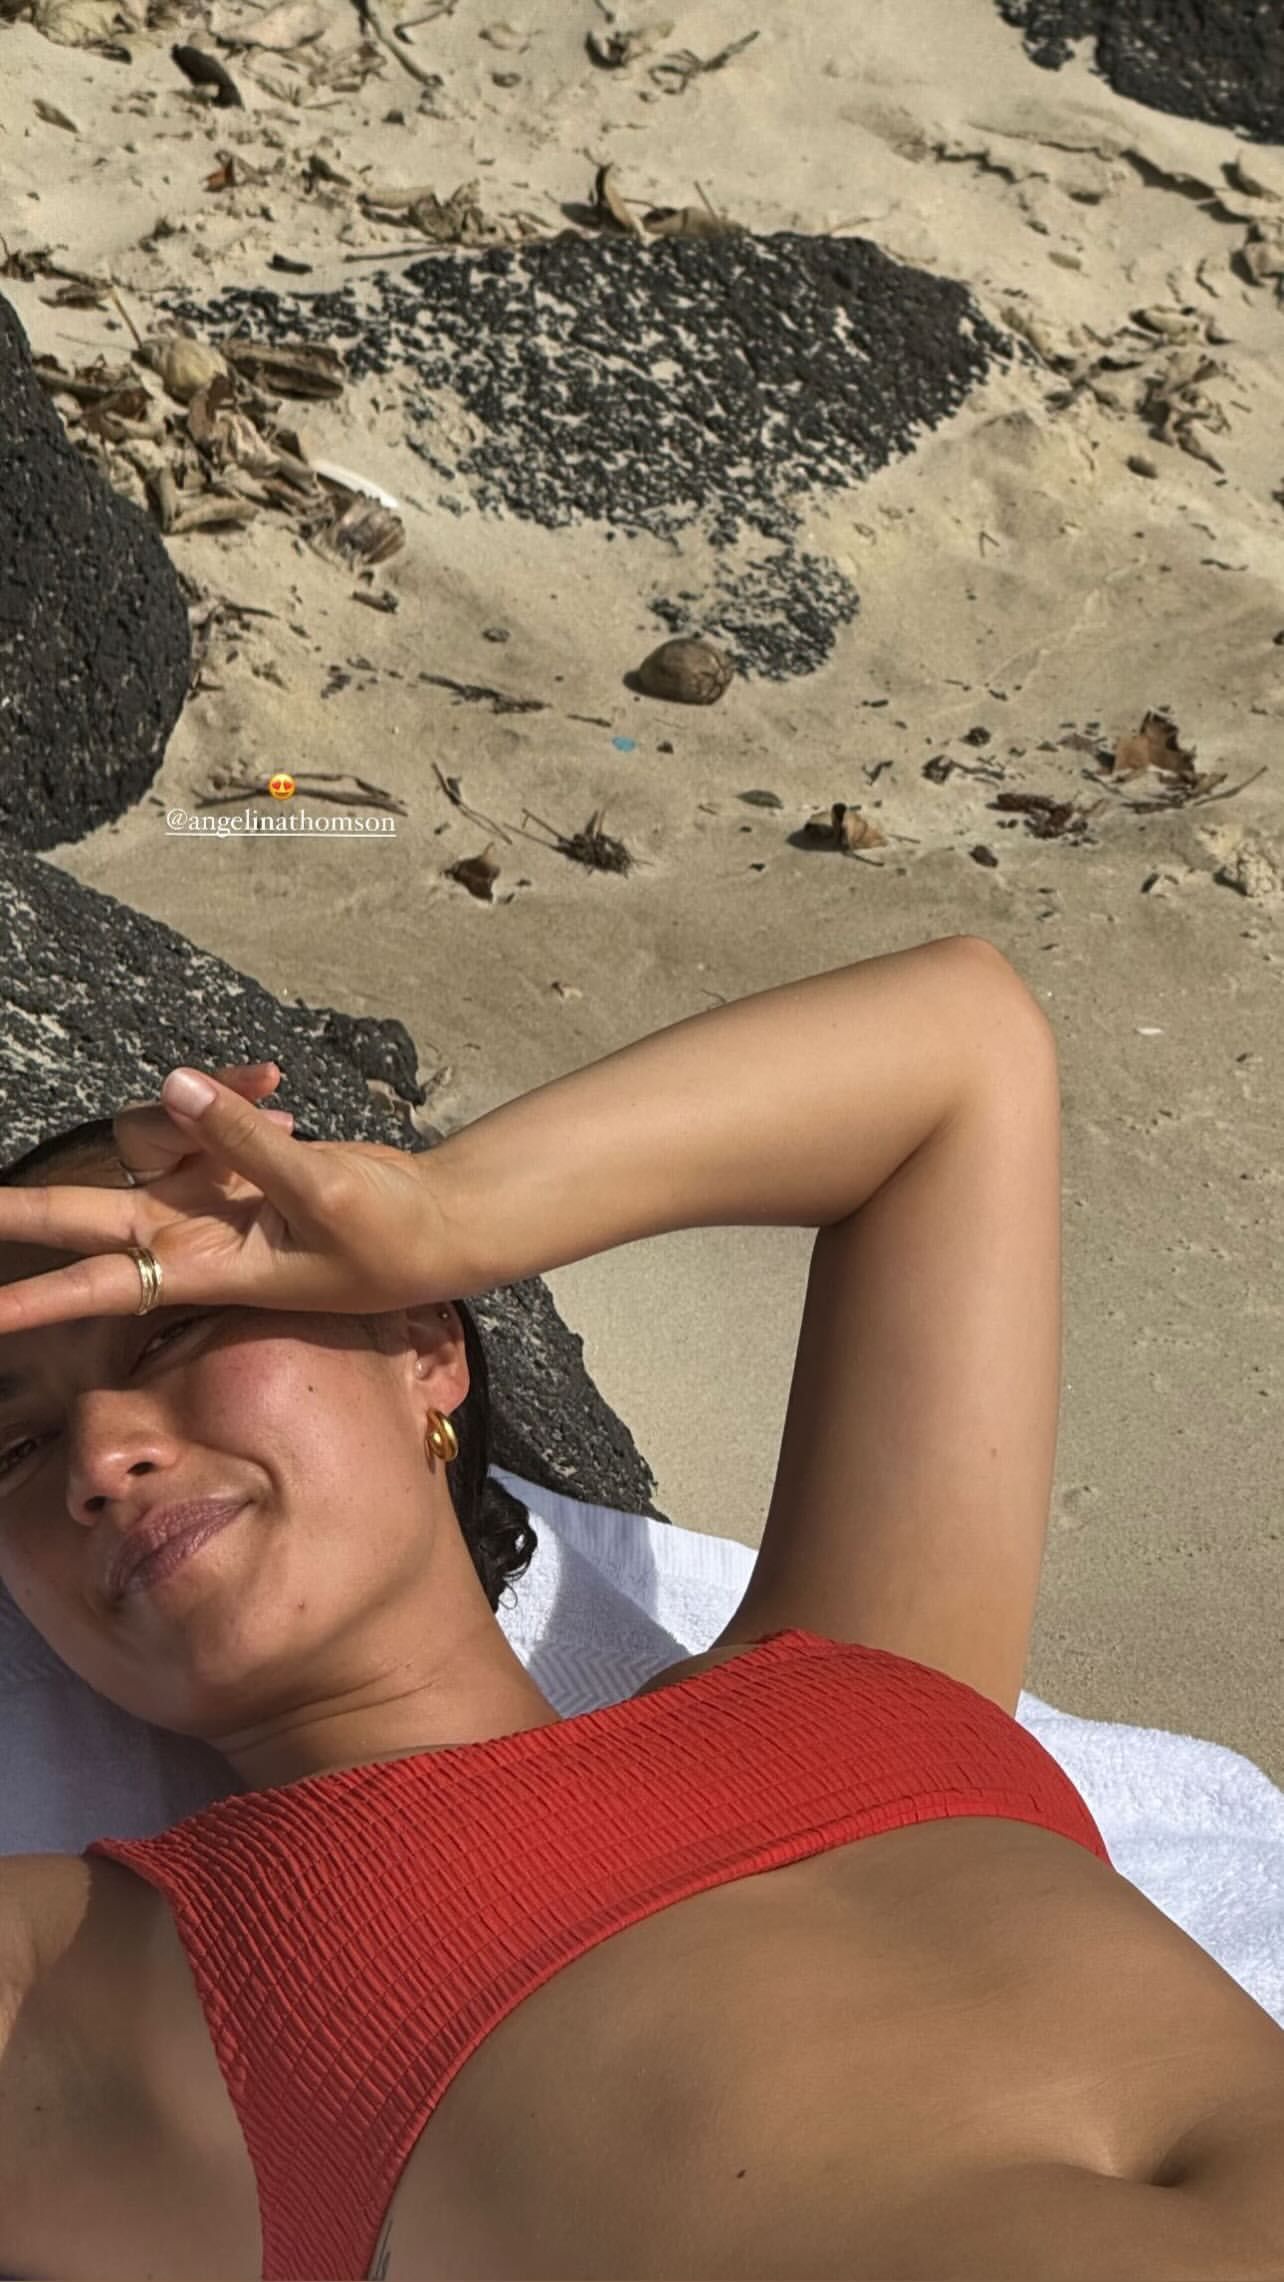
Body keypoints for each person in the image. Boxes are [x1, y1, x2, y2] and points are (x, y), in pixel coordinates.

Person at [0, 935, 1280, 2282]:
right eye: (11, 1449)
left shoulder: (858, 1667)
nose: (98, 1457)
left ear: (424, 1344)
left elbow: (964, 1044)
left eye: (174, 1330)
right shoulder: (132, 1990)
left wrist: (444, 1210)